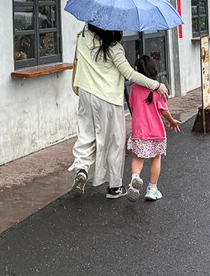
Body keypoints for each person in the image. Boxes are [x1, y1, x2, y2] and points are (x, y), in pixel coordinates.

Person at [69, 24, 169, 198]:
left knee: (86, 134)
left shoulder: (82, 38)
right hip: (108, 97)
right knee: (114, 141)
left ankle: (82, 169)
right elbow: (130, 74)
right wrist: (156, 85)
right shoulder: (114, 48)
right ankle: (114, 187)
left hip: (86, 93)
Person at [125, 55, 180, 202]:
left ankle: (135, 179)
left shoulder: (134, 88)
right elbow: (164, 111)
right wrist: (172, 121)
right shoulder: (158, 90)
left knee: (138, 157)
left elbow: (132, 107)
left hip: (139, 131)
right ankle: (152, 189)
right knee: (156, 158)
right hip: (156, 132)